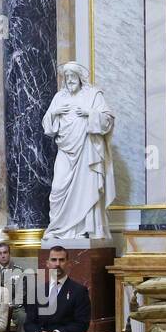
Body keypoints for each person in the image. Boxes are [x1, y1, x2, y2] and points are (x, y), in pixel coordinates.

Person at [41, 62, 116, 242]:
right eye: (66, 77)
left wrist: (91, 113)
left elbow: (108, 120)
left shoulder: (93, 95)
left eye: (72, 77)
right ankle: (59, 229)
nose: (69, 81)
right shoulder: (59, 97)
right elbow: (47, 127)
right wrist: (54, 113)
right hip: (66, 150)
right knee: (58, 187)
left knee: (87, 189)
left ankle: (87, 228)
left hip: (86, 151)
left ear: (80, 78)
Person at [0, 241, 28, 332]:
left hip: (15, 307)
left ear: (9, 254)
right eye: (0, 253)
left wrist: (11, 305)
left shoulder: (19, 271)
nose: (3, 256)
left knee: (24, 317)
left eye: (5, 252)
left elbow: (22, 293)